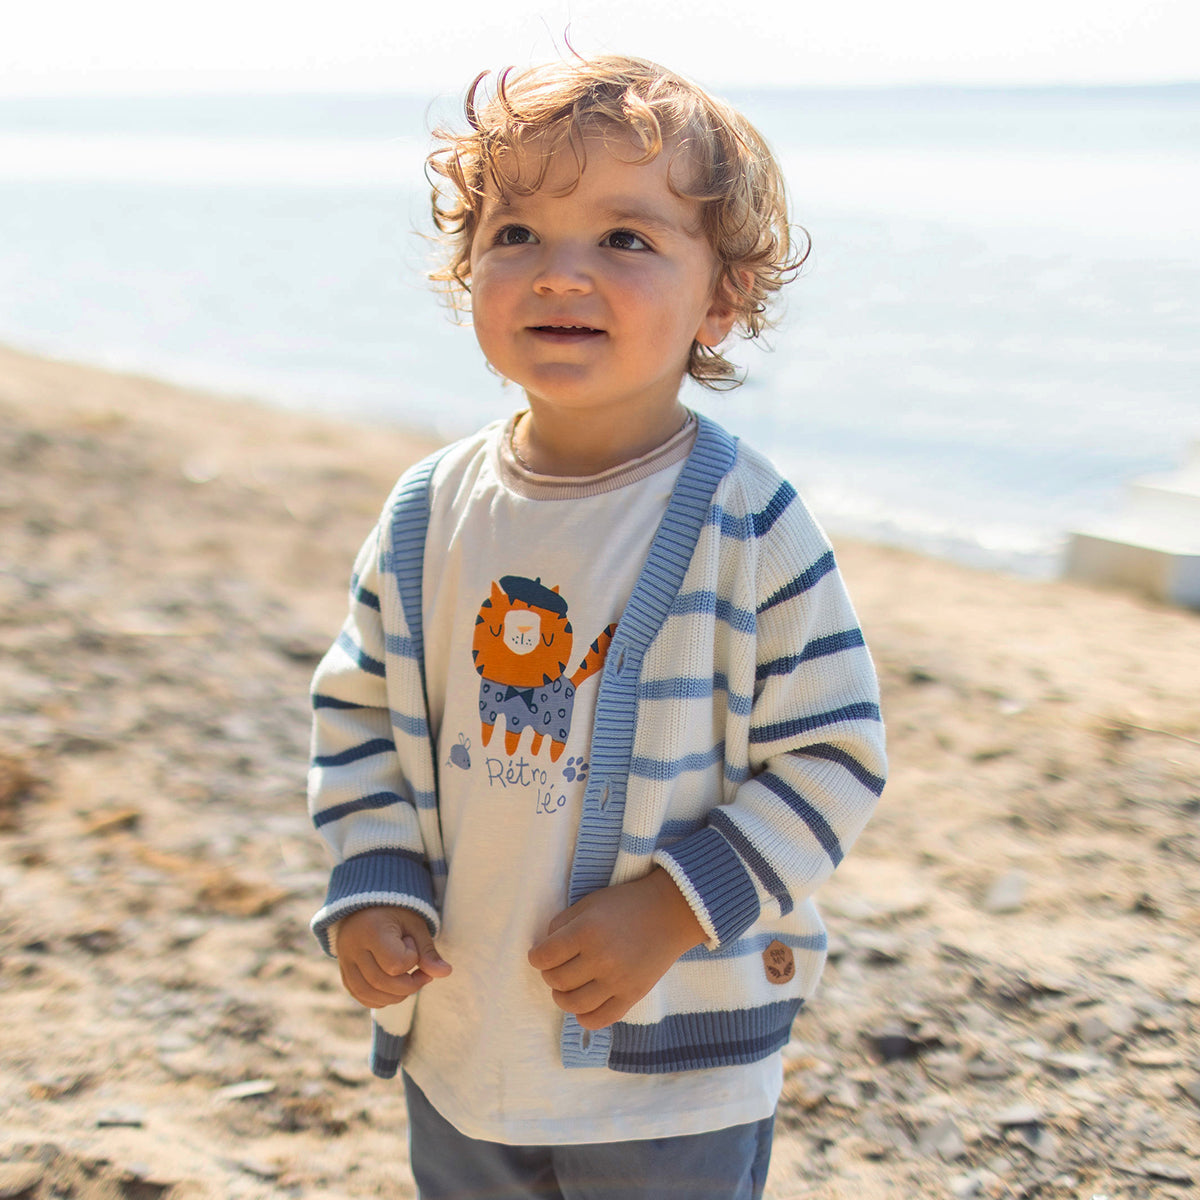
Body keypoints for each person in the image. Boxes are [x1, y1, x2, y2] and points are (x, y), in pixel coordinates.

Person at [307, 54, 887, 1200]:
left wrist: (675, 906)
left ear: (721, 298)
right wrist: (374, 881)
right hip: (469, 1038)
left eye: (626, 239)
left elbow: (833, 757)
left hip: (671, 1060)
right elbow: (360, 706)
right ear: (467, 268)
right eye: (516, 234)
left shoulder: (746, 519)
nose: (559, 273)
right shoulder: (431, 511)